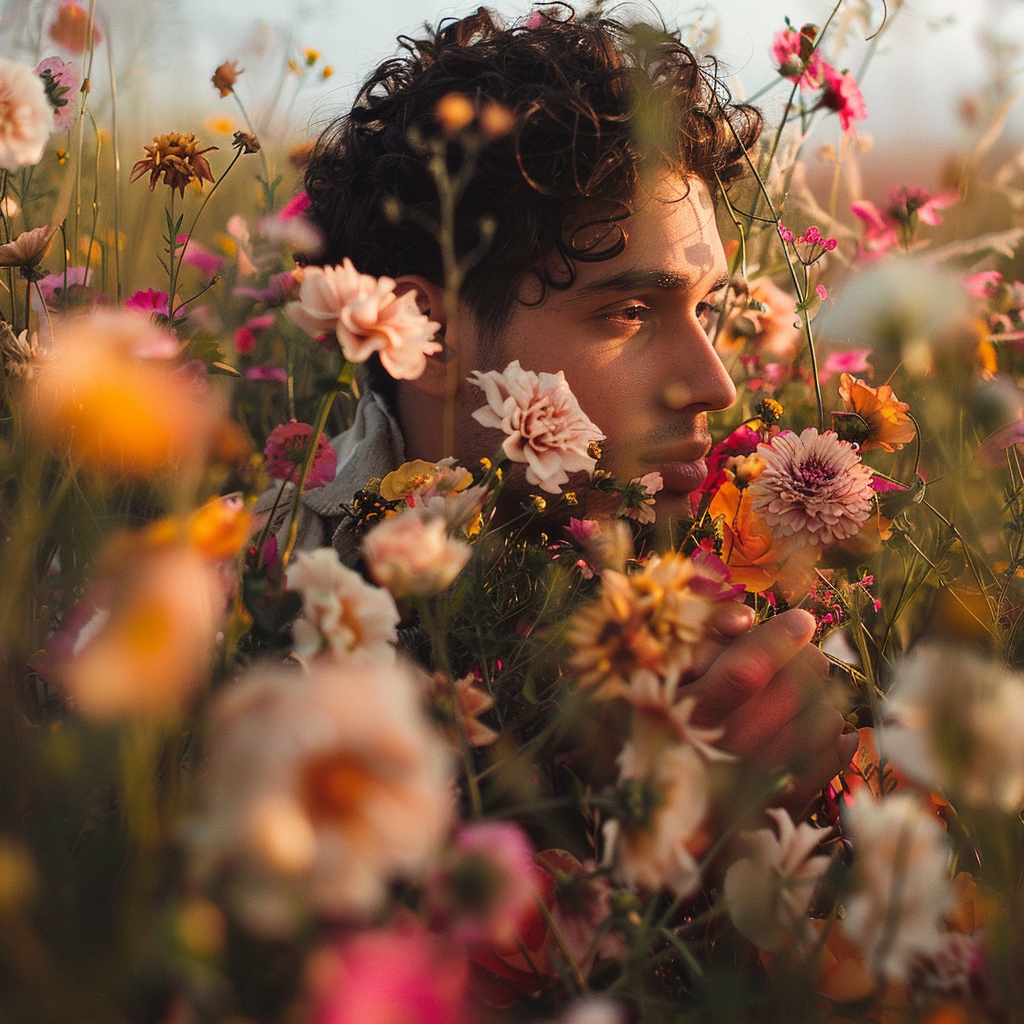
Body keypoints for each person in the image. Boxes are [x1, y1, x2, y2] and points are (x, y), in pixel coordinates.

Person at [290, 6, 858, 807]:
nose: (715, 385)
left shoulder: (753, 575)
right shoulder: (264, 615)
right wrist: (656, 840)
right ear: (426, 336)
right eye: (629, 314)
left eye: (707, 310)